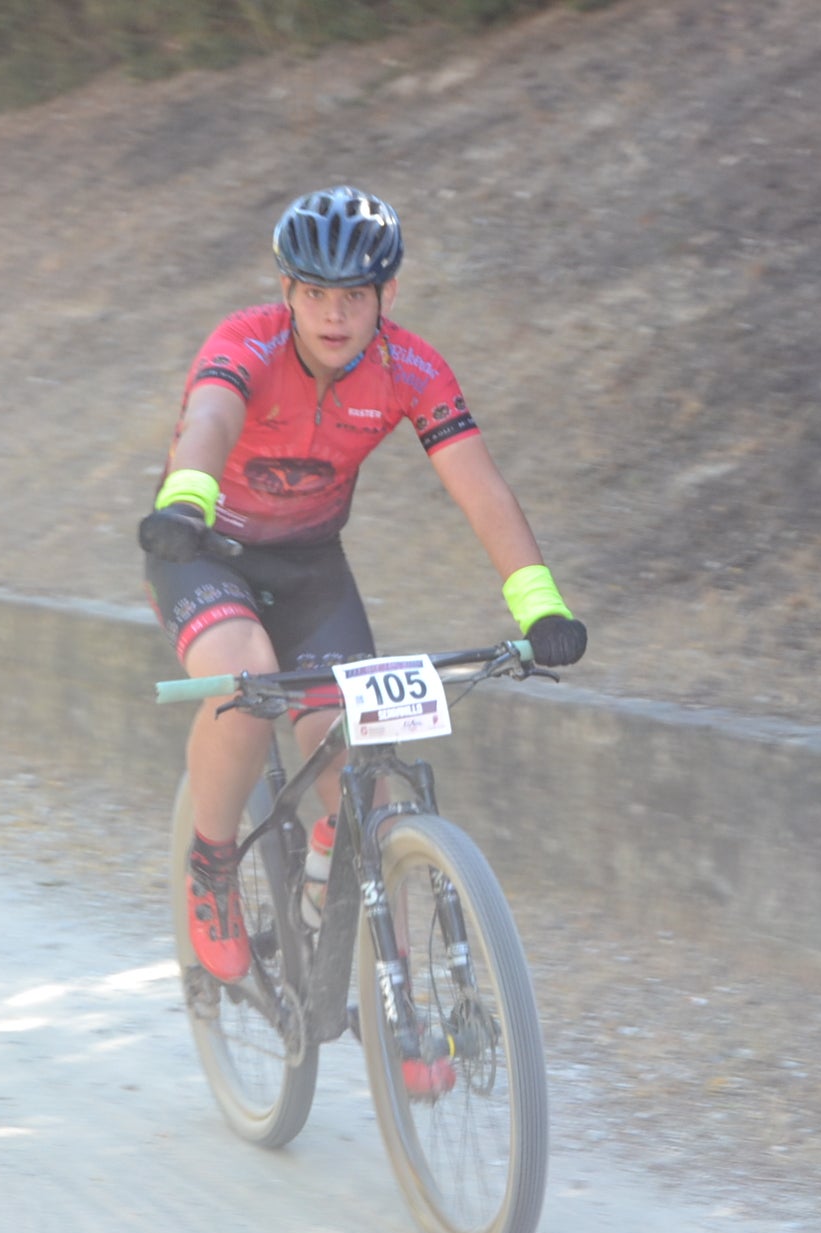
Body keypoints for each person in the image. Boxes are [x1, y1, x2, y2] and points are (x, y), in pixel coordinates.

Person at [140, 185, 586, 984]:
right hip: (202, 547)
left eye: (354, 295)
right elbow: (210, 416)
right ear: (287, 292)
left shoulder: (412, 370)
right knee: (246, 684)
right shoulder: (248, 341)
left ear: (389, 294)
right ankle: (211, 866)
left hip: (309, 564)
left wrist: (537, 601)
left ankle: (387, 983)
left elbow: (479, 486)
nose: (333, 314)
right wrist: (187, 495)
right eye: (314, 292)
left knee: (360, 766)